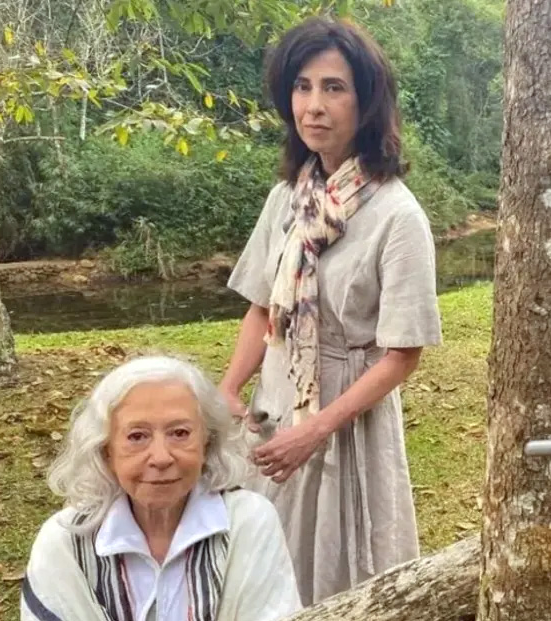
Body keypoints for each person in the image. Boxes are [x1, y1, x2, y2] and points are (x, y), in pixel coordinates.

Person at [219, 16, 443, 606]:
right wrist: (228, 387)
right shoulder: (288, 198)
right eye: (302, 86)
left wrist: (314, 430)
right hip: (275, 399)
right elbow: (261, 307)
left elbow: (402, 355)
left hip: (345, 415)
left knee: (346, 568)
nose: (313, 106)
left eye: (334, 88)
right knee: (260, 556)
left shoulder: (397, 216)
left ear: (366, 102)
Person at [20, 355, 303, 621]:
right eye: (137, 436)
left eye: (179, 433)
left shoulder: (248, 521)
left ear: (207, 443)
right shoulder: (65, 542)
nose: (161, 457)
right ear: (106, 451)